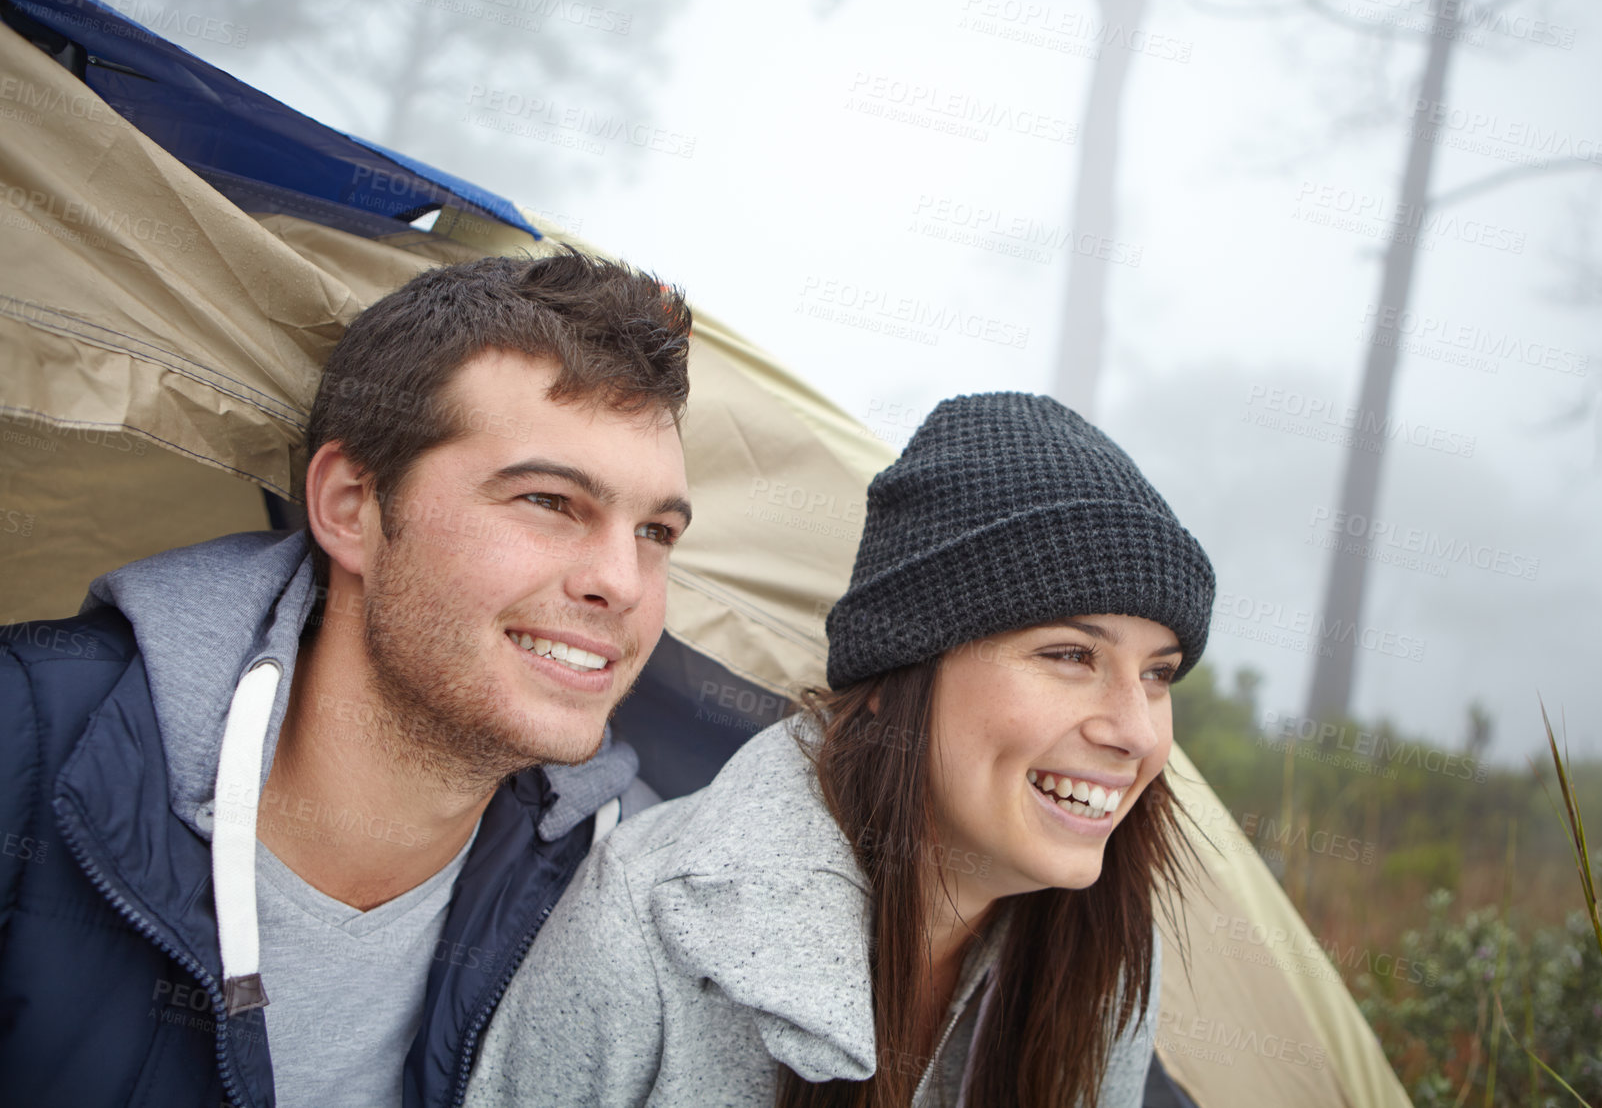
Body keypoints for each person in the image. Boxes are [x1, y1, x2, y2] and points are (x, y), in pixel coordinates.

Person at [0, 249, 693, 1108]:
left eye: (657, 532)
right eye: (549, 502)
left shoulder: (635, 887)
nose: (622, 583)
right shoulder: (26, 740)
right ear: (351, 507)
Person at [471, 391, 1216, 1107]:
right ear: (897, 676)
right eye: (1070, 656)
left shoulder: (1108, 948)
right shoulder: (644, 930)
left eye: (1158, 674)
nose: (1138, 732)